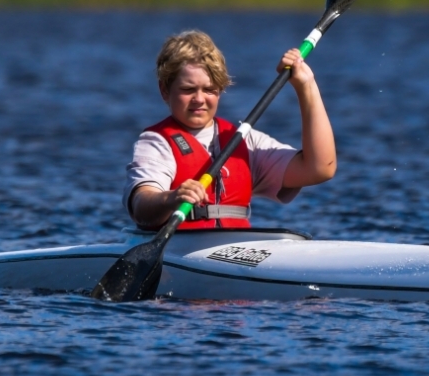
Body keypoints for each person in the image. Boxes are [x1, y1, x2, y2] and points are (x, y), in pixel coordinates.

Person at [126, 30, 336, 231]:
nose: (199, 99)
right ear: (165, 90)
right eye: (188, 90)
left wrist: (306, 86)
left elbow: (320, 169)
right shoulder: (156, 142)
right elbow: (141, 206)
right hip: (179, 250)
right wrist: (171, 198)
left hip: (236, 248)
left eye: (209, 90)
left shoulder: (244, 140)